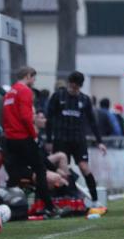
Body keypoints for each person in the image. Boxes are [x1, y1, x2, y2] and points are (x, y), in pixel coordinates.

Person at [2, 66, 61, 218]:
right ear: (28, 76)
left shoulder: (10, 92)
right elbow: (25, 116)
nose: (34, 81)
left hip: (10, 138)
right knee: (40, 170)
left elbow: (6, 117)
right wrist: (33, 134)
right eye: (33, 78)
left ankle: (12, 206)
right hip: (23, 137)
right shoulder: (25, 91)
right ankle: (49, 207)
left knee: (15, 174)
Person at [45, 71, 107, 203]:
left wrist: (99, 141)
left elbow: (92, 122)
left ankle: (95, 200)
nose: (74, 90)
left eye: (77, 87)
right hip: (61, 139)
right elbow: (49, 119)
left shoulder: (84, 99)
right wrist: (49, 140)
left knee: (84, 167)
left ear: (80, 86)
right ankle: (65, 198)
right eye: (72, 87)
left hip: (78, 139)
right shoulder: (58, 96)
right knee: (62, 169)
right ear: (69, 84)